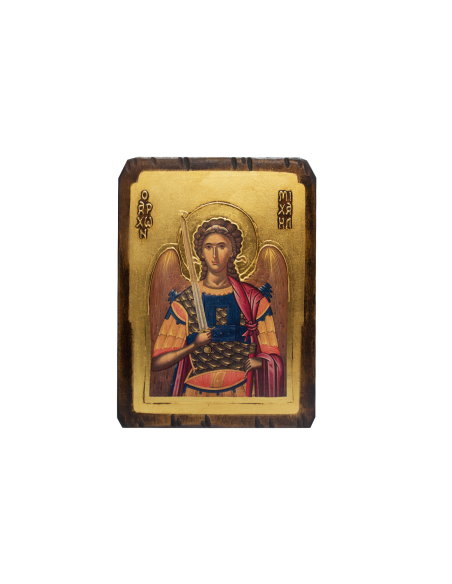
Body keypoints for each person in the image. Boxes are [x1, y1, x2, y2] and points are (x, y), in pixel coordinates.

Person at [151, 218, 284, 397]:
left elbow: (273, 356)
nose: (214, 254)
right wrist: (194, 345)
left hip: (242, 393)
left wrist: (261, 362)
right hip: (195, 395)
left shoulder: (253, 300)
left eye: (221, 246)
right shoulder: (185, 302)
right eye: (208, 247)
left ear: (232, 252)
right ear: (201, 253)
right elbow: (157, 362)